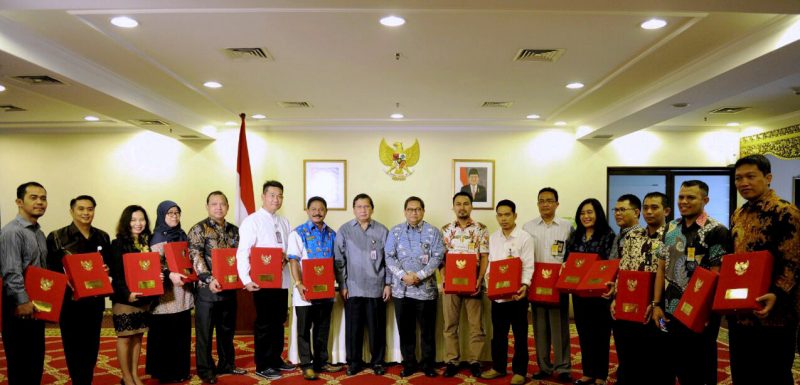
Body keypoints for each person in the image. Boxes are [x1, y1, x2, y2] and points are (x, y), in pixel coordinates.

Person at [728, 155, 800, 385]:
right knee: (743, 371)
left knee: (773, 374)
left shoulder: (786, 212)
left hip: (775, 312)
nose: (743, 183)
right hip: (741, 311)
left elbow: (794, 261)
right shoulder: (739, 214)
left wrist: (777, 294)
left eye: (751, 176)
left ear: (768, 178)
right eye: (739, 178)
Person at [652, 180, 729, 385]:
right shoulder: (670, 227)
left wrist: (705, 311)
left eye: (691, 197)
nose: (684, 202)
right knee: (667, 361)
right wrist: (656, 304)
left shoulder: (716, 230)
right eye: (681, 197)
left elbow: (716, 274)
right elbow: (661, 267)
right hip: (667, 310)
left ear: (705, 200)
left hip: (699, 314)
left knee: (698, 368)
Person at [46, 195, 112, 385]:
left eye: (90, 209)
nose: (86, 213)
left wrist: (107, 270)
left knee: (92, 348)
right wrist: (63, 277)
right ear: (72, 211)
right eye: (81, 209)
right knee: (74, 348)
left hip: (95, 302)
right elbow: (50, 268)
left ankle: (86, 380)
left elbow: (107, 266)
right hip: (70, 304)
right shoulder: (57, 237)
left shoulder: (102, 236)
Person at [236, 180, 295, 379]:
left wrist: (287, 255)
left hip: (281, 281)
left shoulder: (284, 222)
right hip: (261, 283)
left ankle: (276, 358)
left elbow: (287, 249)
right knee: (265, 322)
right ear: (263, 196)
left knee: (279, 321)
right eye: (272, 195)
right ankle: (263, 364)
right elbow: (243, 252)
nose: (275, 199)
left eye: (279, 196)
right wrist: (245, 279)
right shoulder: (252, 221)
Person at [610, 192, 670, 385]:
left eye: (654, 207)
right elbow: (623, 269)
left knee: (658, 358)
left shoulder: (672, 236)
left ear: (666, 210)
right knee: (628, 355)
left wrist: (656, 302)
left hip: (658, 309)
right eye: (646, 208)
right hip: (630, 305)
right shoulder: (633, 235)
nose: (649, 212)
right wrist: (616, 299)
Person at [188, 191, 247, 384]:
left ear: (228, 207)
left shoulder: (235, 230)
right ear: (207, 206)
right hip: (208, 288)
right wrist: (208, 278)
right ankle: (205, 370)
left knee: (226, 329)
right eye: (214, 204)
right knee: (205, 331)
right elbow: (195, 256)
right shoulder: (199, 229)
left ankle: (227, 364)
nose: (218, 207)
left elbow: (241, 256)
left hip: (229, 288)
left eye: (222, 204)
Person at [385, 196, 445, 378]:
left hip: (426, 291)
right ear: (405, 212)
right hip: (401, 291)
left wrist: (418, 276)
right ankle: (409, 363)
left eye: (418, 209)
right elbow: (389, 256)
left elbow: (437, 257)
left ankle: (428, 364)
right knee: (406, 330)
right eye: (410, 209)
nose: (414, 213)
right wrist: (404, 276)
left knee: (427, 331)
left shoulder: (433, 232)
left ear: (423, 211)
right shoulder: (395, 232)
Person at [334, 193, 391, 376]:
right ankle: (354, 362)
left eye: (366, 206)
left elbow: (389, 261)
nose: (363, 210)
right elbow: (339, 260)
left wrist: (388, 284)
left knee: (377, 329)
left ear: (372, 209)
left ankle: (378, 362)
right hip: (353, 288)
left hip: (376, 288)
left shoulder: (382, 230)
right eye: (359, 207)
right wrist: (342, 285)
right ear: (354, 209)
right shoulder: (344, 230)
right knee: (354, 329)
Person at [287, 196, 344, 380]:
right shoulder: (298, 233)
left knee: (322, 328)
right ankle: (307, 364)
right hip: (304, 291)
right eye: (313, 209)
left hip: (326, 292)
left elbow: (336, 263)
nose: (317, 212)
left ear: (325, 211)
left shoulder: (332, 234)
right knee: (304, 330)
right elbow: (293, 260)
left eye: (321, 209)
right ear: (307, 211)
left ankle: (321, 361)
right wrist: (298, 283)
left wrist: (338, 284)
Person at [480, 199, 534, 385]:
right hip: (498, 297)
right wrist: (488, 282)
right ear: (497, 217)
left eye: (507, 214)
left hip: (517, 295)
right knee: (499, 334)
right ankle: (498, 367)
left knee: (520, 334)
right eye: (500, 215)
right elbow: (491, 265)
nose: (503, 219)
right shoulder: (493, 238)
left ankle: (520, 371)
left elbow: (528, 266)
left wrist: (525, 286)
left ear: (515, 215)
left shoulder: (525, 238)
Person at [522, 187, 572, 383]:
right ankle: (543, 366)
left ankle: (563, 367)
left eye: (549, 200)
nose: (545, 204)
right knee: (539, 327)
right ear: (537, 204)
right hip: (536, 283)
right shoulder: (528, 227)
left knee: (560, 327)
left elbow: (571, 256)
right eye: (541, 200)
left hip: (558, 285)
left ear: (557, 204)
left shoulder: (567, 227)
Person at [1, 181, 48, 385]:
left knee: (35, 361)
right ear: (19, 202)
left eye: (43, 198)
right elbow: (11, 272)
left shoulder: (38, 232)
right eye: (34, 197)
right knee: (20, 363)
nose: (40, 202)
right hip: (19, 306)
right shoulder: (12, 232)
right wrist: (22, 302)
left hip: (35, 305)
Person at [566, 198, 616, 385]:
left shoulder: (607, 235)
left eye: (589, 212)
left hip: (599, 294)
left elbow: (610, 264)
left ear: (598, 214)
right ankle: (588, 372)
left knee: (601, 334)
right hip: (579, 294)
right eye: (582, 213)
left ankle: (601, 376)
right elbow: (567, 259)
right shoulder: (575, 236)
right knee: (584, 332)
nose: (586, 216)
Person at [440, 192, 489, 377]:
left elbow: (484, 256)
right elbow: (441, 258)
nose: (462, 207)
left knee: (476, 325)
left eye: (466, 203)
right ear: (453, 207)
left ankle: (475, 360)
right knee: (450, 325)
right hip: (450, 285)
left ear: (471, 206)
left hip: (473, 283)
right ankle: (452, 360)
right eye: (458, 204)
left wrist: (480, 278)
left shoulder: (481, 229)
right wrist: (444, 277)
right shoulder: (445, 229)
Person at [108, 205, 158, 385]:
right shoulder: (118, 244)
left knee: (138, 337)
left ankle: (135, 374)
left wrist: (157, 276)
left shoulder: (149, 242)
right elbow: (116, 274)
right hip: (125, 299)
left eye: (142, 219)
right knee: (125, 337)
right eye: (133, 220)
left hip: (144, 298)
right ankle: (126, 377)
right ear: (126, 222)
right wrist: (127, 294)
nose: (138, 223)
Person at [146, 201, 194, 383]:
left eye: (177, 213)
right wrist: (169, 273)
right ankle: (164, 372)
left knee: (181, 333)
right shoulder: (157, 237)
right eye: (170, 213)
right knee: (165, 335)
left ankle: (181, 370)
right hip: (166, 294)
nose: (174, 216)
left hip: (183, 291)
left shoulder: (182, 235)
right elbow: (154, 265)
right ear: (161, 215)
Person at [610, 194, 642, 260]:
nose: (617, 213)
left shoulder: (641, 236)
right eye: (616, 210)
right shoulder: (618, 236)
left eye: (622, 209)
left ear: (636, 213)